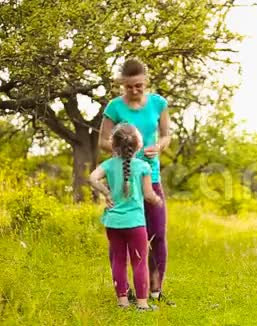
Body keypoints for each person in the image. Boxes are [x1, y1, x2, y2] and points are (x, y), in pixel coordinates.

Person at [98, 58, 174, 306]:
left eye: (138, 85)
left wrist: (157, 147)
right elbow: (102, 142)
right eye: (129, 86)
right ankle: (124, 292)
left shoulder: (158, 103)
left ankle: (155, 290)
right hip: (123, 179)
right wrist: (126, 147)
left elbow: (166, 135)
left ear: (145, 82)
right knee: (120, 233)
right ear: (122, 84)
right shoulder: (114, 107)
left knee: (157, 235)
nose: (134, 90)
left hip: (150, 177)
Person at [89, 124, 162, 311]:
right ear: (138, 146)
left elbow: (92, 178)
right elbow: (148, 195)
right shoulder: (144, 166)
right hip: (135, 223)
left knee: (118, 260)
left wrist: (106, 193)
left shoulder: (108, 165)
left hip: (113, 223)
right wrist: (157, 199)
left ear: (113, 145)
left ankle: (122, 302)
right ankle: (142, 304)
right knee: (139, 261)